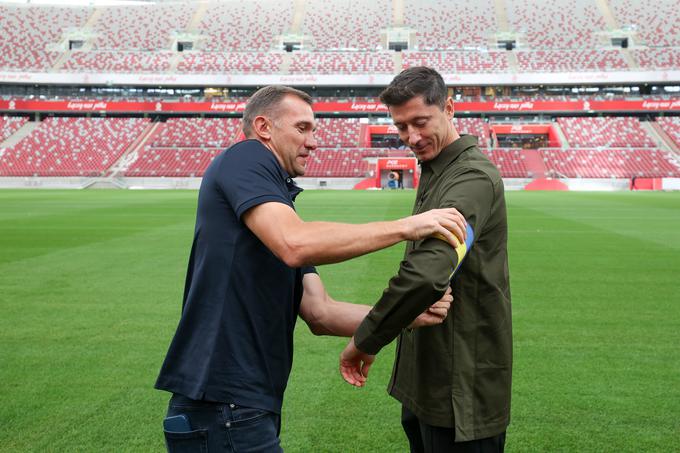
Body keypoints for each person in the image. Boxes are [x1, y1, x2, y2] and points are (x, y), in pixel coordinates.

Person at [154, 85, 468, 452]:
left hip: (242, 407)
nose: (313, 142)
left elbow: (321, 313)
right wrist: (407, 226)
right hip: (222, 405)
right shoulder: (247, 157)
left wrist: (408, 316)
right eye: (302, 128)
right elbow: (294, 244)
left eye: (314, 130)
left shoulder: (274, 215)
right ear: (264, 127)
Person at [339, 67, 512, 452]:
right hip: (429, 377)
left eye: (420, 122)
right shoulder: (438, 169)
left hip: (461, 387)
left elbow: (427, 274)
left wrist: (365, 341)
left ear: (449, 107)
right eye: (401, 127)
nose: (411, 138)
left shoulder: (470, 178)